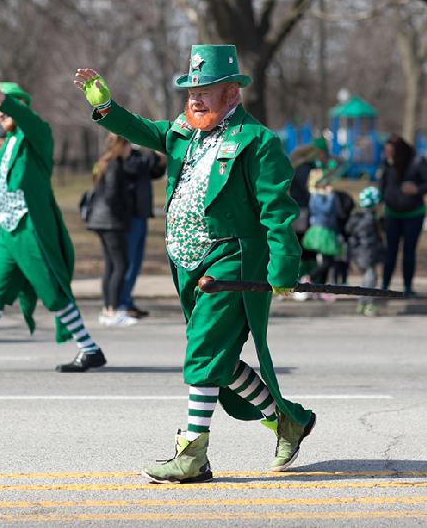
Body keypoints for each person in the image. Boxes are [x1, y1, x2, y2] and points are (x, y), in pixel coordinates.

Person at [74, 43, 315, 484]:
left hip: (232, 261)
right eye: (191, 91)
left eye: (205, 91)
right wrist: (106, 107)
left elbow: (278, 211)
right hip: (188, 263)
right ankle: (287, 420)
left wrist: (283, 267)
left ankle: (192, 454)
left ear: (232, 93)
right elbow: (143, 130)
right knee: (216, 359)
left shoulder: (258, 141)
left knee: (203, 352)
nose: (196, 99)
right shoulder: (185, 131)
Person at [0, 71, 106, 373]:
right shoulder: (7, 143)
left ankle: (90, 349)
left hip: (31, 229)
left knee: (51, 290)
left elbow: (28, 120)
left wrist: (2, 98)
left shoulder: (37, 136)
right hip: (8, 231)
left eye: (4, 108)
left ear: (19, 106)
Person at [86, 134, 138, 326]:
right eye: (128, 145)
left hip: (100, 220)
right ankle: (113, 310)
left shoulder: (103, 162)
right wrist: (124, 212)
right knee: (121, 264)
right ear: (121, 147)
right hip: (111, 221)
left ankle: (108, 309)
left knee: (111, 265)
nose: (130, 149)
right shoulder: (115, 164)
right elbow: (112, 195)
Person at [378, 135, 427, 296]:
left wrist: (417, 189)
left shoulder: (417, 162)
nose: (387, 154)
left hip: (413, 214)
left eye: (390, 151)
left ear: (399, 151)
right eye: (386, 151)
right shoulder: (388, 163)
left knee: (409, 252)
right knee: (390, 251)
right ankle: (384, 285)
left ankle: (408, 287)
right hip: (392, 214)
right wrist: (380, 201)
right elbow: (383, 185)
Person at [119, 146, 167, 318]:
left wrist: (161, 161)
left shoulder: (138, 156)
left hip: (141, 215)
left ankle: (126, 301)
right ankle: (121, 303)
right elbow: (135, 168)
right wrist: (154, 153)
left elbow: (153, 172)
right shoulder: (122, 156)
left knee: (136, 263)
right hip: (128, 218)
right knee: (128, 263)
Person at [346, 186, 385, 316]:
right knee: (371, 280)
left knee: (367, 279)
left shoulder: (358, 217)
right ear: (374, 205)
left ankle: (362, 303)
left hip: (359, 255)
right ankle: (368, 304)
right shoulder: (369, 220)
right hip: (367, 255)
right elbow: (369, 242)